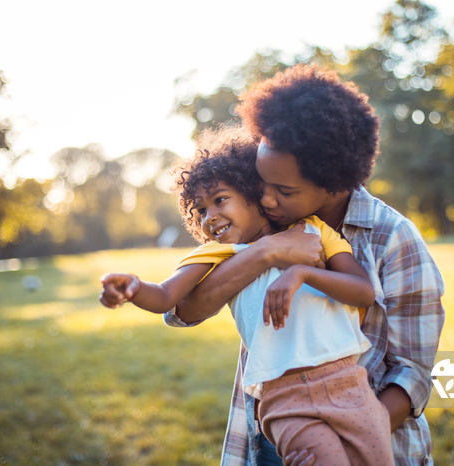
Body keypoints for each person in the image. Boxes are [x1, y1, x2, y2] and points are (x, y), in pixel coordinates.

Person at [166, 65, 446, 466]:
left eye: (284, 191)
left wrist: (343, 446)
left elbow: (414, 373)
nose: (266, 200)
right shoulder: (261, 228)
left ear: (334, 183)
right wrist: (268, 252)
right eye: (262, 183)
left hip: (367, 438)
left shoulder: (393, 239)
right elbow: (185, 310)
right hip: (276, 432)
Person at [101, 127, 393, 465]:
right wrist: (134, 287)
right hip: (286, 400)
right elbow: (167, 297)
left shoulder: (315, 231)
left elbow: (363, 292)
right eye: (200, 211)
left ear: (254, 194)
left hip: (349, 384)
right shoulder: (217, 254)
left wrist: (302, 273)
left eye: (219, 199)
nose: (209, 217)